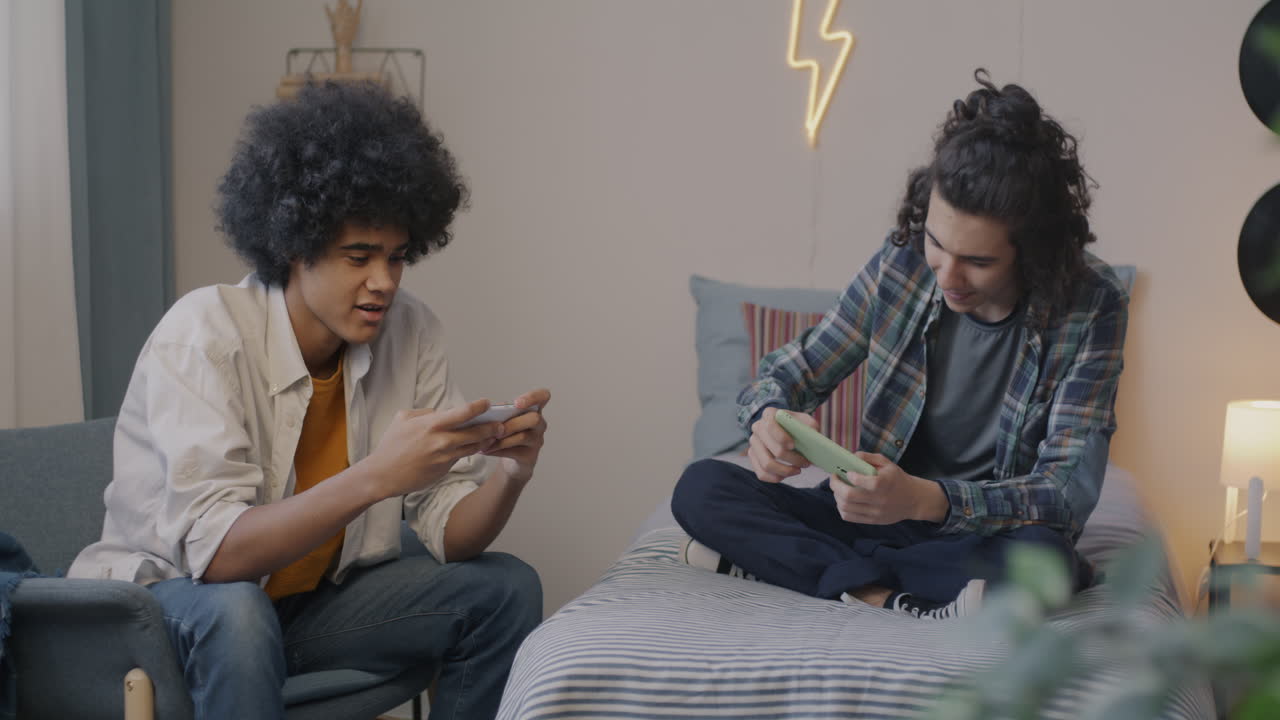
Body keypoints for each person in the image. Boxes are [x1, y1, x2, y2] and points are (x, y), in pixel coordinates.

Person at [69, 81, 546, 719]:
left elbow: (450, 534)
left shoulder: (412, 330)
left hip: (304, 608)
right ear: (294, 244)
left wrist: (512, 473)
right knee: (239, 613)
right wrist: (379, 476)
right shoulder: (203, 334)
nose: (384, 282)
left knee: (506, 587)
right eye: (358, 257)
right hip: (169, 611)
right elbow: (220, 559)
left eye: (397, 258)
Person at [672, 69, 1128, 620]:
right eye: (937, 242)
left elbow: (1063, 493)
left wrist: (923, 500)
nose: (947, 274)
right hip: (862, 515)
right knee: (702, 486)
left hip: (975, 533)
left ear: (1031, 252)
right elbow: (791, 371)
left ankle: (807, 567)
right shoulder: (901, 263)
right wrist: (769, 417)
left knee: (1046, 557)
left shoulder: (1093, 305)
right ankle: (886, 595)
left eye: (978, 261)